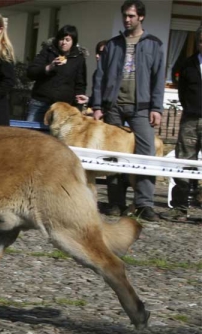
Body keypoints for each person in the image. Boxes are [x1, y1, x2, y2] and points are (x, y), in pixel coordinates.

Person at [92, 0, 165, 221]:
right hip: (113, 106)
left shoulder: (154, 44)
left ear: (141, 17)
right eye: (125, 15)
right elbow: (100, 76)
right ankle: (116, 203)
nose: (127, 19)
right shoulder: (114, 44)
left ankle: (144, 204)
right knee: (114, 156)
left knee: (146, 153)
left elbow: (158, 78)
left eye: (132, 16)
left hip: (141, 107)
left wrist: (157, 107)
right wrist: (97, 105)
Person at [160, 27, 202, 221]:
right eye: (201, 41)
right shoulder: (187, 64)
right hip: (190, 120)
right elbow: (182, 93)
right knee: (183, 162)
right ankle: (179, 208)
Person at [26, 25, 88, 123]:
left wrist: (79, 99)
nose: (63, 43)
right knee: (32, 134)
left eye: (67, 40)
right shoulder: (48, 51)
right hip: (40, 103)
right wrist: (49, 67)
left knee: (56, 137)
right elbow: (31, 72)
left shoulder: (78, 58)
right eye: (61, 39)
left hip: (63, 108)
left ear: (73, 42)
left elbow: (80, 83)